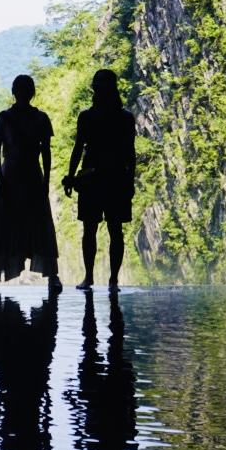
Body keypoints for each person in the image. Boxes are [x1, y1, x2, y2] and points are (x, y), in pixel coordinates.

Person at [0, 75, 60, 294]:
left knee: (4, 223)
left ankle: (51, 275)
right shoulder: (24, 118)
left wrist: (45, 181)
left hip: (20, 174)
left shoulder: (9, 118)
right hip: (20, 175)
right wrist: (1, 178)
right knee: (31, 223)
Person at [64, 69, 137, 291]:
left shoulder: (120, 117)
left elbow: (129, 152)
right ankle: (97, 278)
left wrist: (130, 181)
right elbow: (79, 148)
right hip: (103, 178)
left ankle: (107, 279)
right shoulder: (101, 116)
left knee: (106, 229)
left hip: (105, 177)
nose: (98, 89)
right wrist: (71, 175)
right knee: (97, 229)